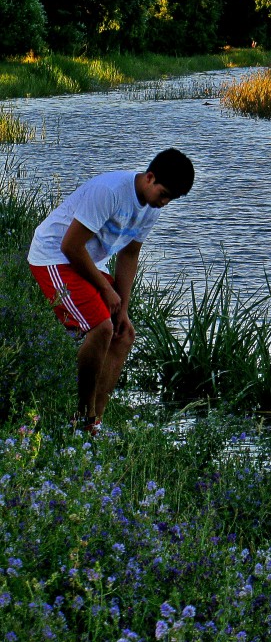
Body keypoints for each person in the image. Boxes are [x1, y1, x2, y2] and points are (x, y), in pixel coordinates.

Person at [27, 149, 195, 433]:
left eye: (171, 199)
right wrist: (106, 289)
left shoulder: (151, 207)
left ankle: (94, 423)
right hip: (53, 256)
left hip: (86, 260)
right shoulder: (110, 191)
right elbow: (70, 246)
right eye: (164, 194)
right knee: (100, 328)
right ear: (149, 177)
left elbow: (129, 254)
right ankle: (83, 415)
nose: (164, 203)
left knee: (123, 332)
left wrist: (123, 309)